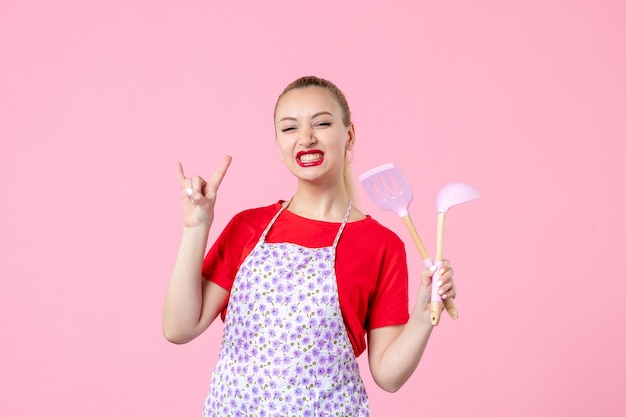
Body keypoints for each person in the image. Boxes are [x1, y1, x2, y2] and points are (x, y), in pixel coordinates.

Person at [162, 75, 457, 417]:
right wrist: (196, 228)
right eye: (289, 129)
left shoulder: (381, 245)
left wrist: (423, 314)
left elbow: (387, 376)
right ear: (278, 144)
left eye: (321, 123)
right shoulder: (248, 227)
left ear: (349, 135)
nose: (306, 138)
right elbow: (179, 328)